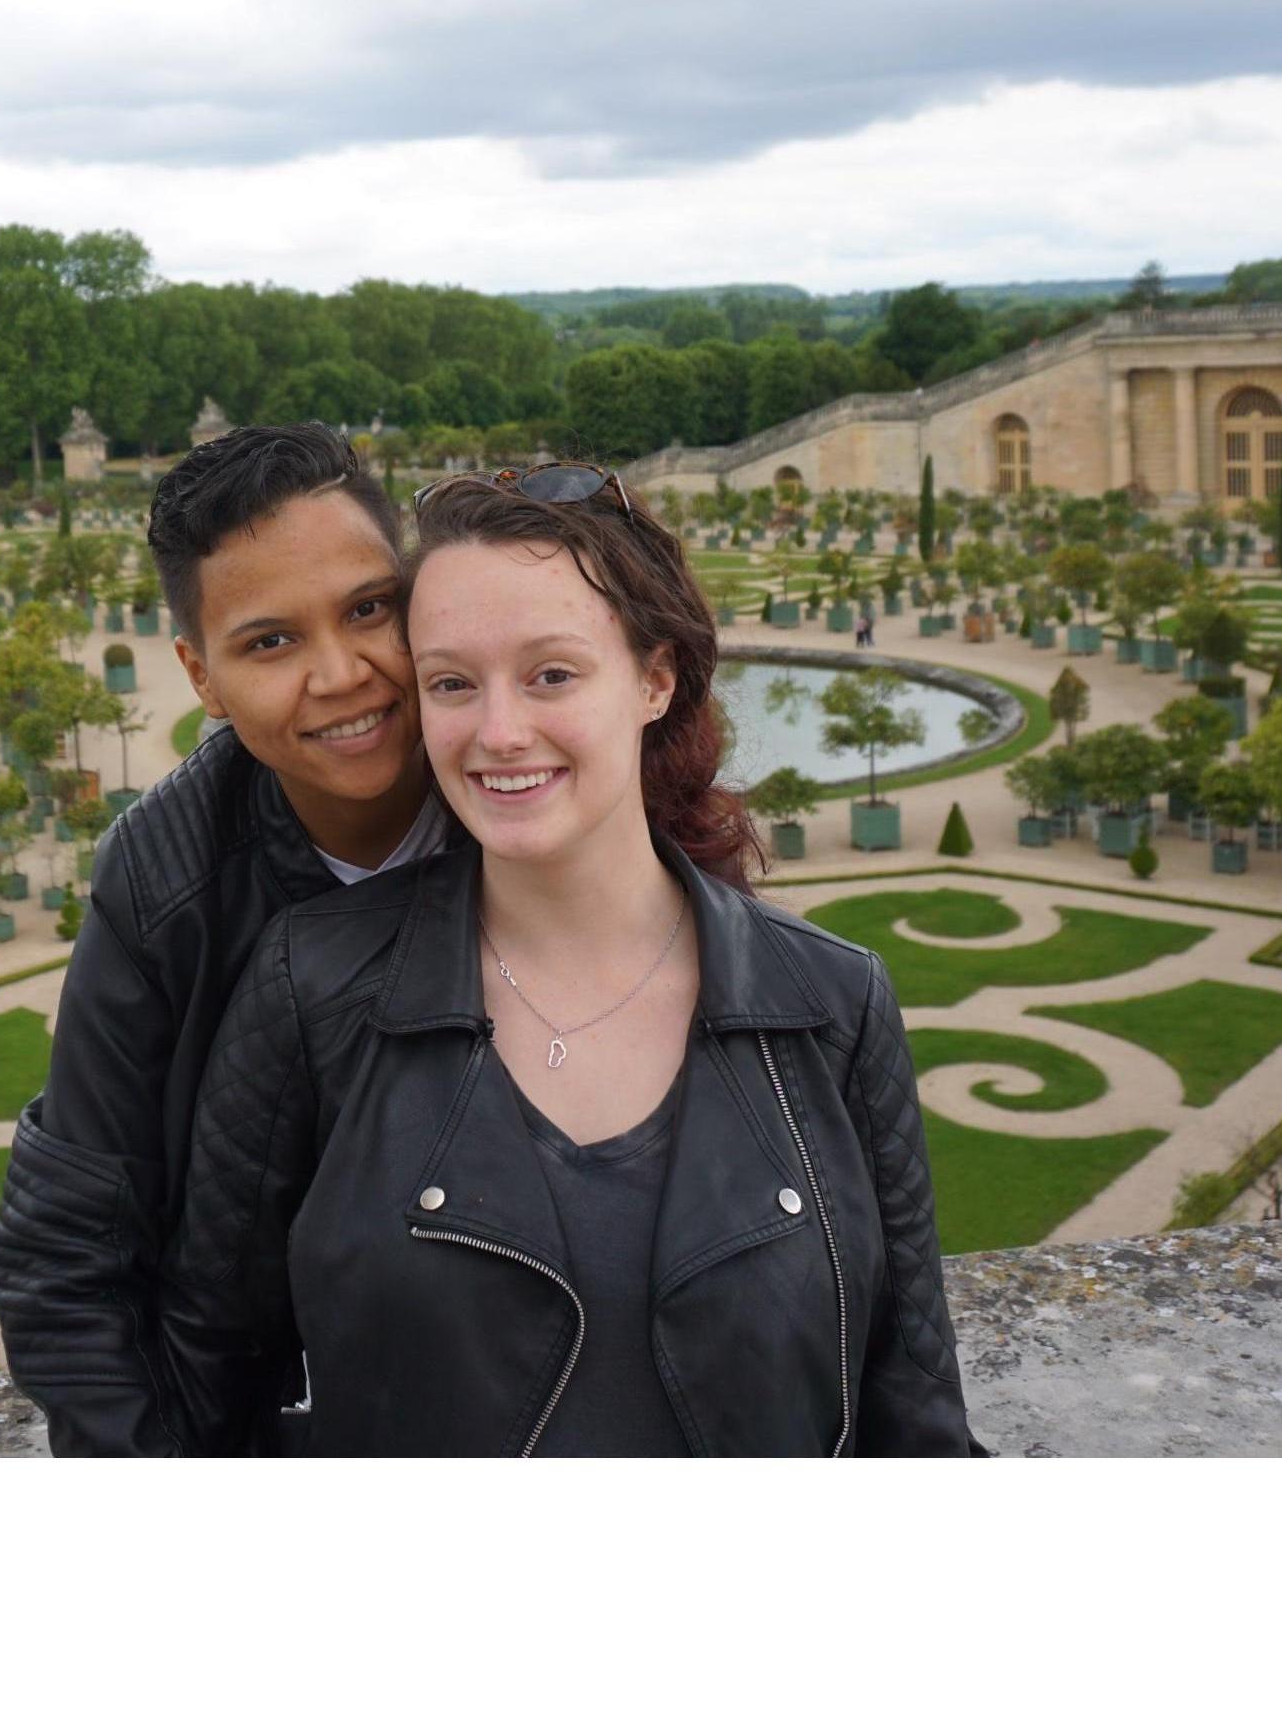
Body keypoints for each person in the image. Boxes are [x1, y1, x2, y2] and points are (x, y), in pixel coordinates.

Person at [157, 463, 981, 1455]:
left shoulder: (834, 1002)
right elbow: (208, 1384)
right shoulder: (309, 987)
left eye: (551, 673)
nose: (499, 733)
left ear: (654, 678)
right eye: (452, 682)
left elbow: (914, 1420)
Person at [0, 423, 459, 1456]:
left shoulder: (533, 801)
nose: (341, 674)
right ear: (200, 677)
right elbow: (66, 1252)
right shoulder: (161, 876)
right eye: (271, 641)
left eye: (369, 609)